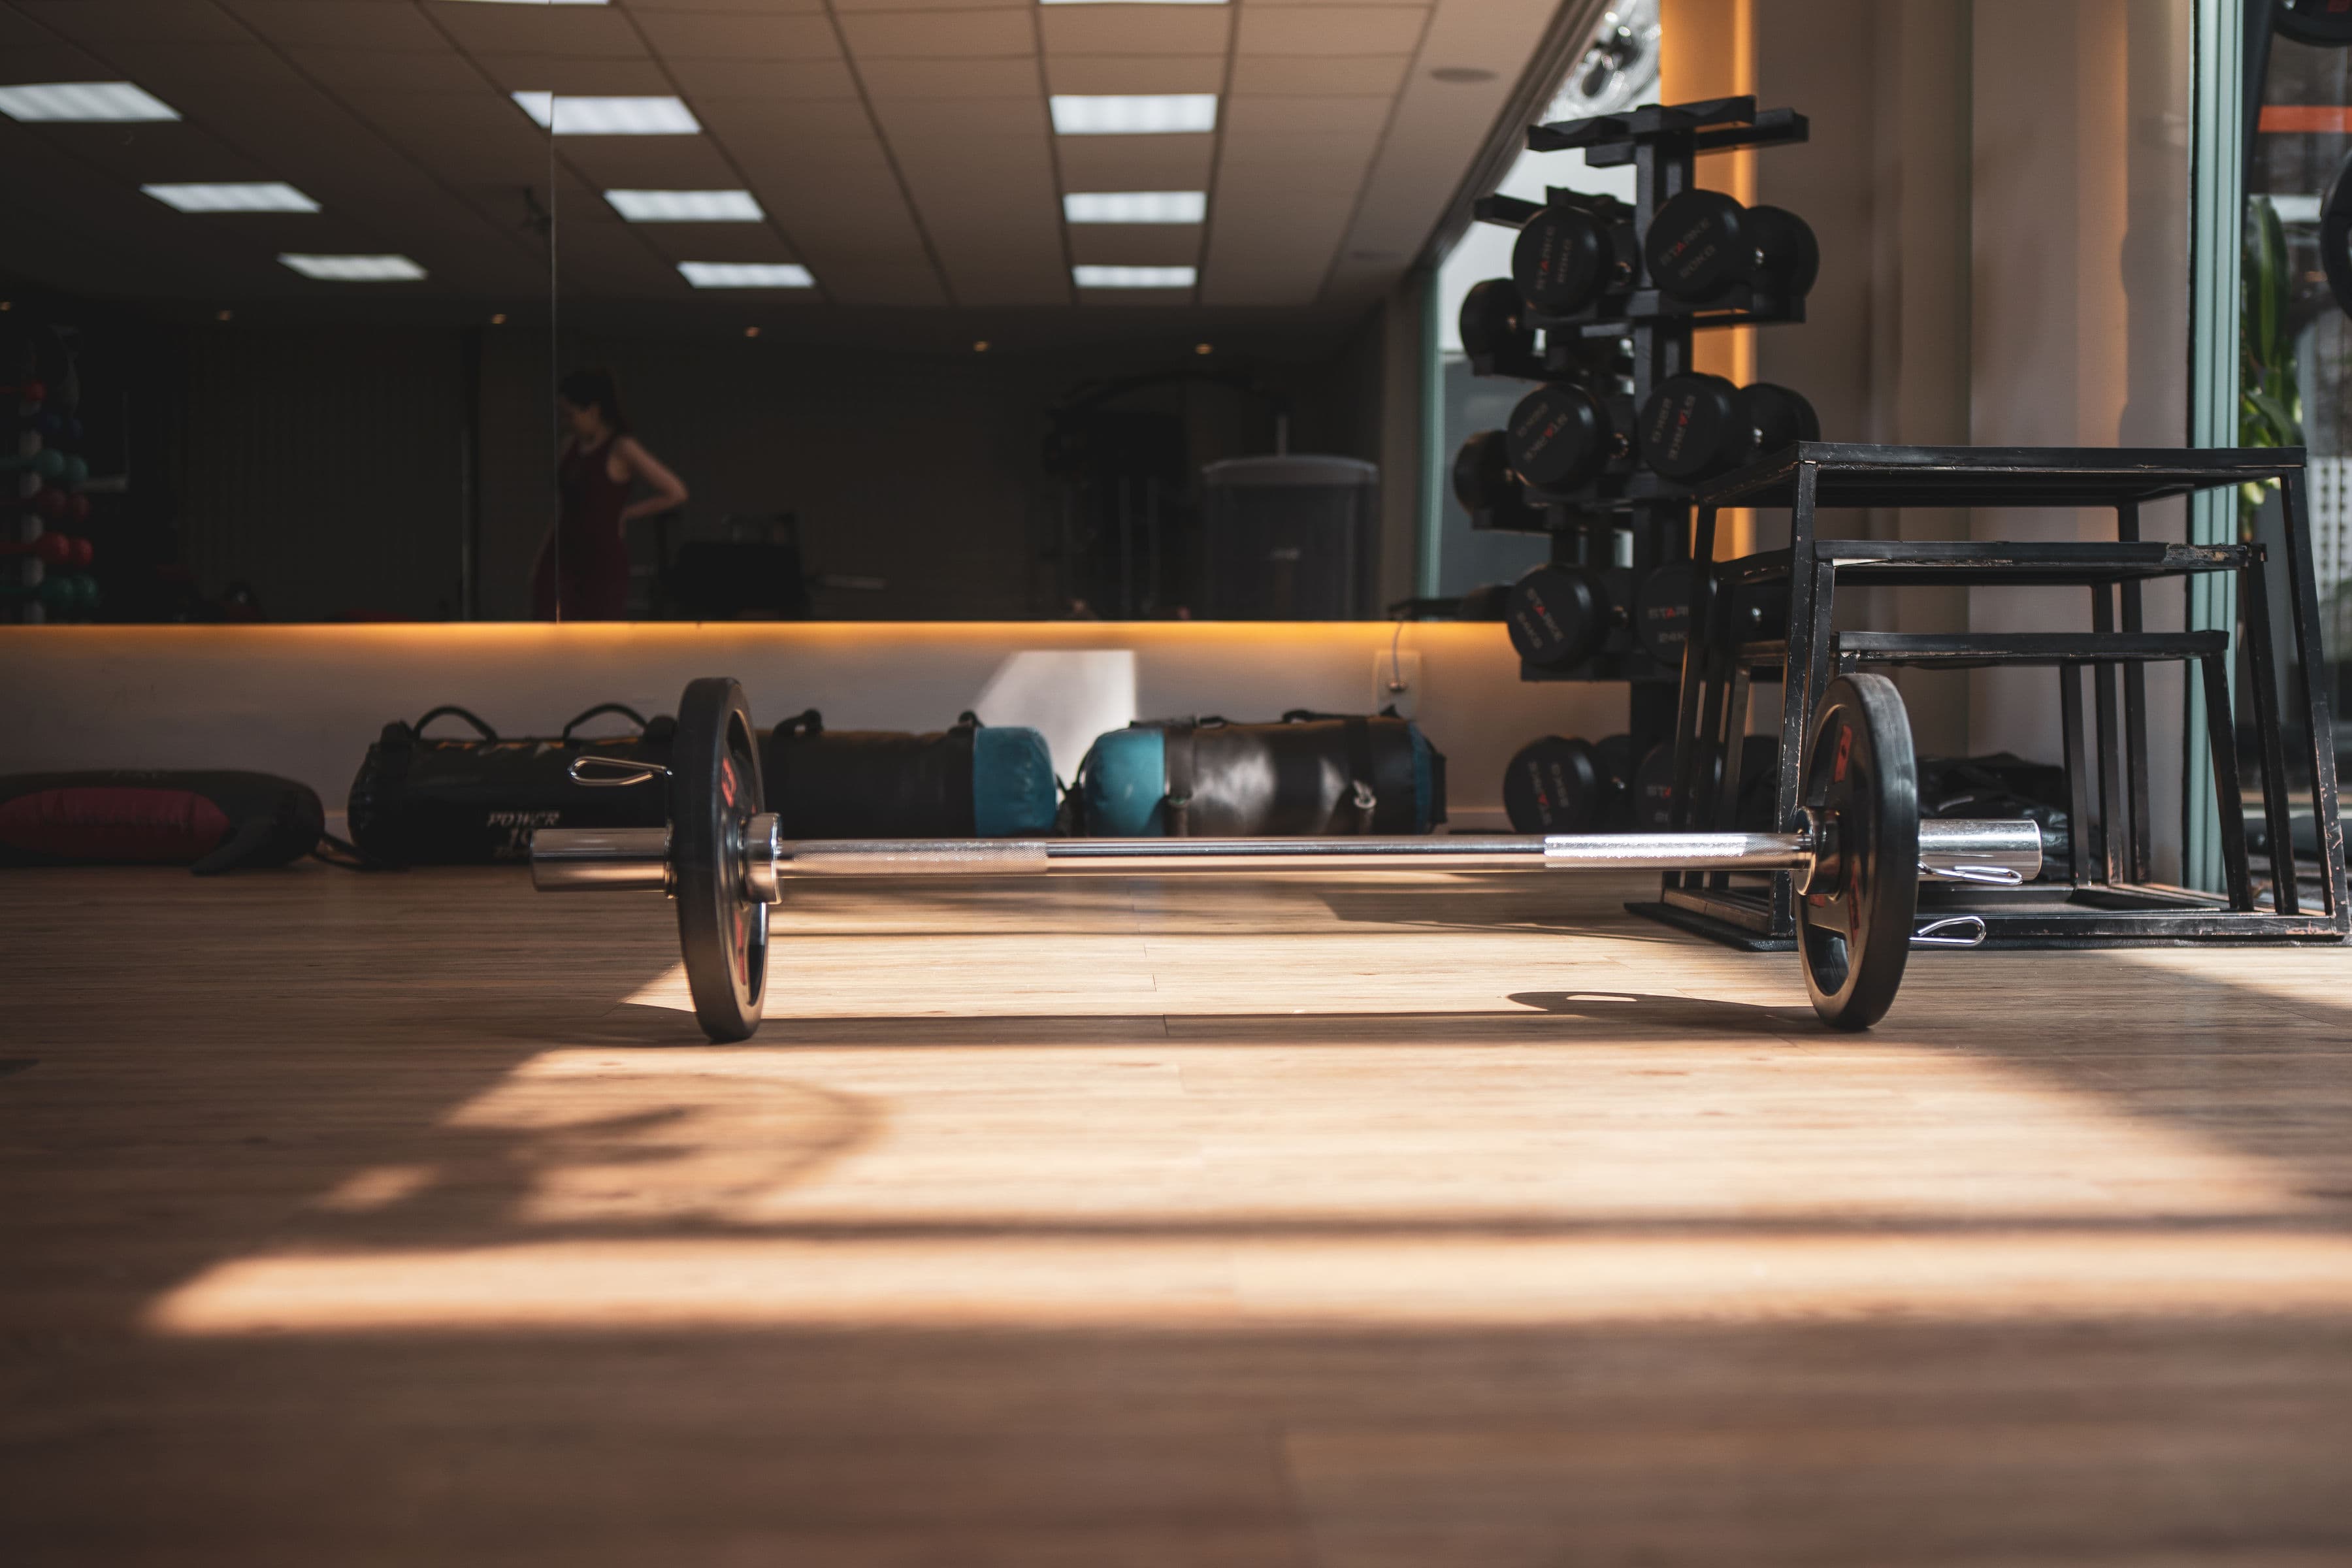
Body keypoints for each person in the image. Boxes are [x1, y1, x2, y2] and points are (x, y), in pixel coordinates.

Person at [531, 368, 689, 620]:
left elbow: (676, 492)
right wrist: (542, 558)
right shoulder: (569, 446)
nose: (566, 422)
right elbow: (563, 507)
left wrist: (626, 513)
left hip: (600, 556)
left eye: (571, 415)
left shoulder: (622, 447)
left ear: (593, 411)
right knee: (550, 620)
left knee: (597, 627)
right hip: (563, 550)